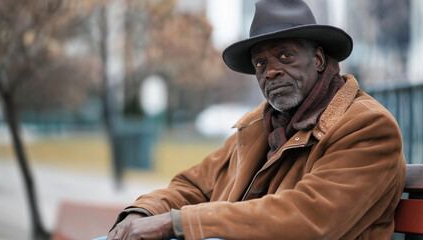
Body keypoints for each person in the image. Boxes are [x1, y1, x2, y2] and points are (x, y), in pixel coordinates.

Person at [107, 0, 406, 239]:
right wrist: (143, 213)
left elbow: (309, 218)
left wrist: (176, 223)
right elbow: (194, 185)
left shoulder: (368, 127)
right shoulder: (257, 127)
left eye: (285, 57)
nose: (271, 71)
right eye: (261, 62)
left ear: (317, 59)